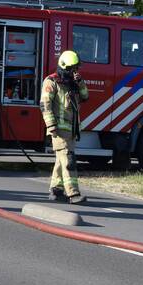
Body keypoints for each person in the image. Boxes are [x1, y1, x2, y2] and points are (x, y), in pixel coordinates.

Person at [41, 50, 89, 204]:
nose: (75, 72)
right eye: (73, 69)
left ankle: (56, 190)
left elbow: (85, 97)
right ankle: (73, 194)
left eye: (77, 69)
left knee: (60, 161)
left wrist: (80, 82)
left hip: (71, 130)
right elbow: (45, 105)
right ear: (64, 67)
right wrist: (51, 124)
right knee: (68, 161)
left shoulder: (72, 84)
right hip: (59, 130)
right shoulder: (51, 81)